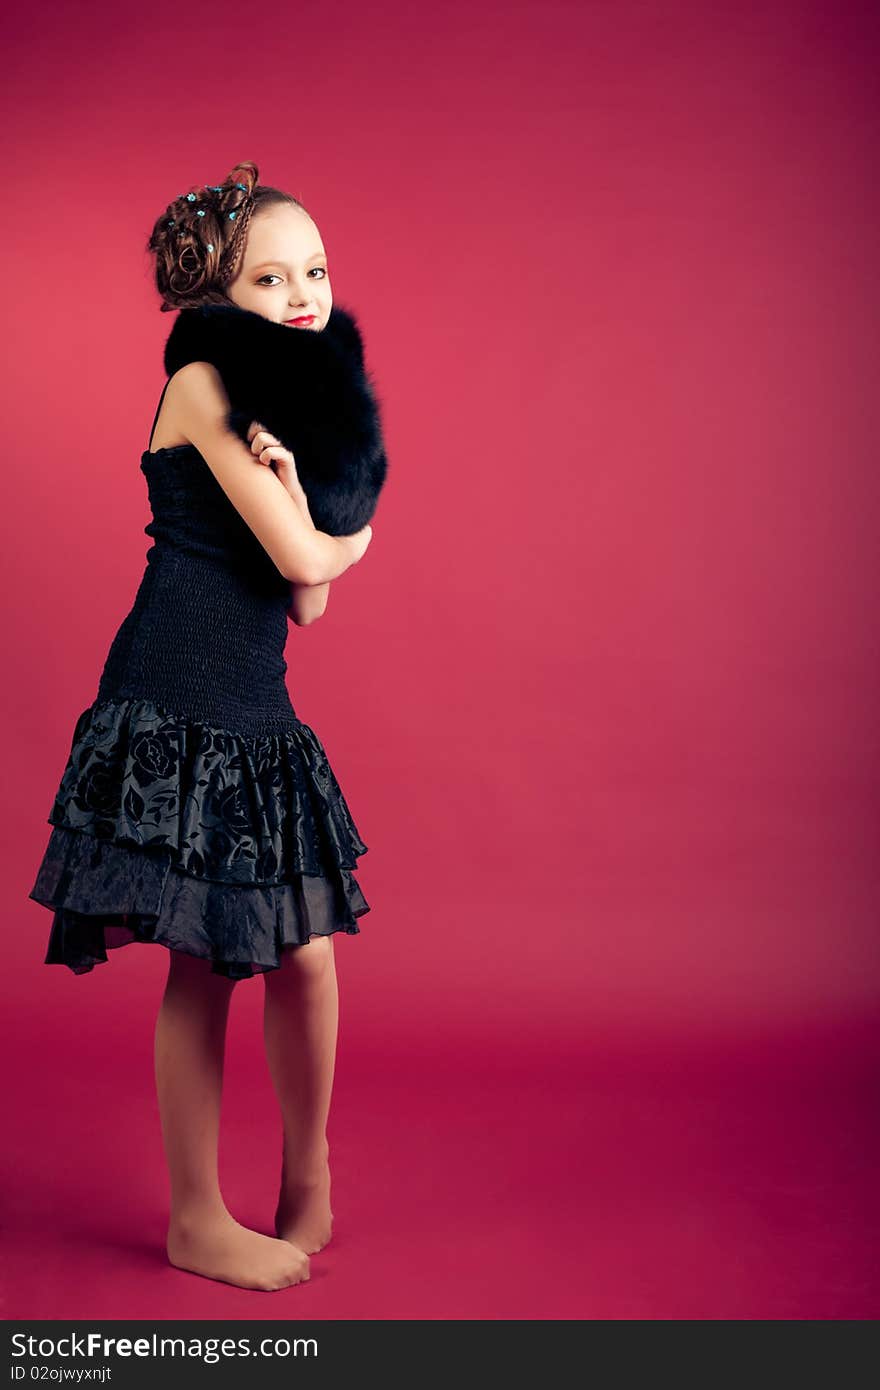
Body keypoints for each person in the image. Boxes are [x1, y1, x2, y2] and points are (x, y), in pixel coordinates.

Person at [27, 161, 378, 1292]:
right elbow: (310, 563)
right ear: (219, 296)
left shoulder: (277, 401)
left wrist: (300, 486)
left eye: (314, 270)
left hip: (253, 696)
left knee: (306, 957)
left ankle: (308, 1174)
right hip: (179, 691)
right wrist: (347, 531)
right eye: (270, 275)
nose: (301, 293)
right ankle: (195, 1217)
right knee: (209, 956)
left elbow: (306, 604)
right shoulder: (201, 372)